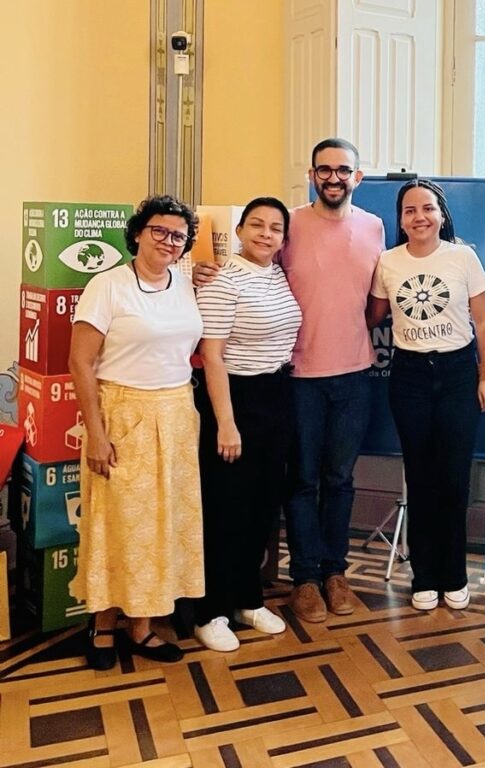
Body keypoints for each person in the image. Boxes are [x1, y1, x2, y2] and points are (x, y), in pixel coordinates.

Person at [195, 139, 385, 622]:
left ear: (357, 177)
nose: (333, 177)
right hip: (297, 380)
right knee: (300, 481)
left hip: (354, 376)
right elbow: (250, 267)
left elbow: (374, 301)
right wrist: (199, 269)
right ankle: (304, 579)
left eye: (343, 169)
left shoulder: (374, 227)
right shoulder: (289, 225)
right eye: (324, 169)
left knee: (340, 480)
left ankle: (335, 573)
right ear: (311, 175)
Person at [68, 195, 204, 669]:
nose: (168, 241)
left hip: (176, 414)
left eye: (178, 236)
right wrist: (96, 432)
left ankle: (142, 626)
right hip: (123, 415)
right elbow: (80, 362)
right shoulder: (107, 286)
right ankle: (104, 624)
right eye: (159, 231)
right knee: (116, 524)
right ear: (138, 234)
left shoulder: (185, 284)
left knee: (162, 526)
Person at [366, 179, 485, 611]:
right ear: (400, 220)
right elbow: (371, 316)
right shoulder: (387, 262)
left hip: (458, 373)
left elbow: (483, 322)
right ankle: (423, 576)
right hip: (410, 377)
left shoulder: (463, 257)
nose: (419, 217)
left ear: (442, 214)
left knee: (454, 478)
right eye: (410, 210)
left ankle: (454, 575)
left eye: (427, 208)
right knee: (420, 479)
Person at [192, 197, 302, 651]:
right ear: (239, 230)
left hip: (276, 395)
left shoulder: (277, 275)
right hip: (234, 398)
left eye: (275, 228)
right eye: (256, 224)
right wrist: (226, 423)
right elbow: (212, 356)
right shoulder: (222, 279)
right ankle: (210, 611)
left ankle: (246, 599)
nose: (265, 234)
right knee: (226, 508)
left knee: (262, 505)